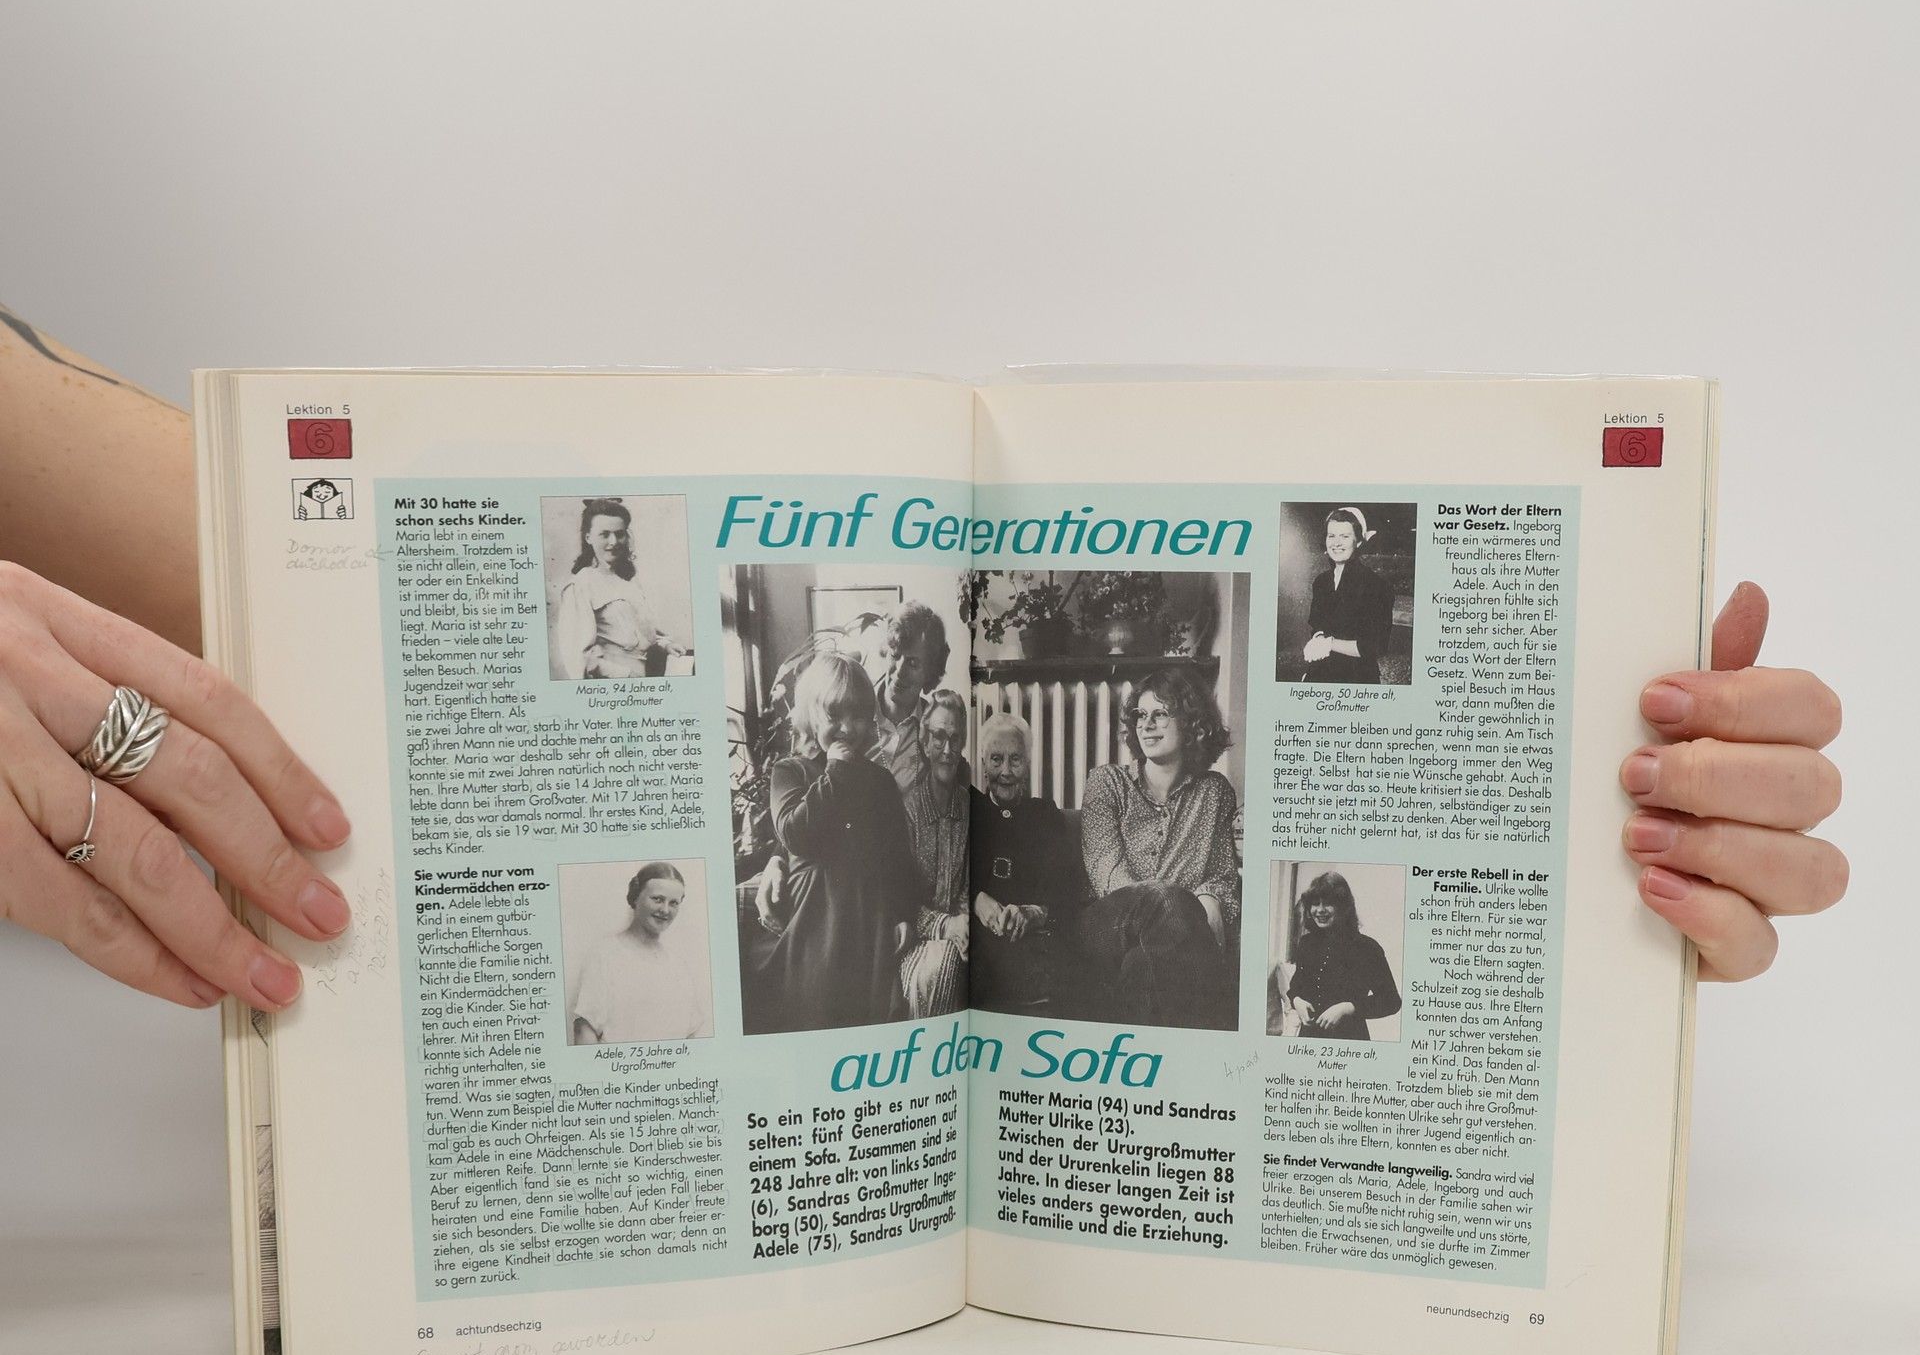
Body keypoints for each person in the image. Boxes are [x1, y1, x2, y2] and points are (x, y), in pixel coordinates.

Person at [0, 307, 1850, 1011]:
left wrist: (1579, 759)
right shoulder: (849, 779)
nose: (880, 699)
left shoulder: (1038, 780)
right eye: (859, 685)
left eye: (888, 686)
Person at [752, 652, 921, 1033]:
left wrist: (903, 914)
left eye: (858, 715)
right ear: (811, 716)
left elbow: (897, 857)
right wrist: (836, 772)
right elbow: (795, 834)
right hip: (814, 915)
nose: (847, 728)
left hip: (866, 915)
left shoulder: (879, 781)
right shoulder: (789, 771)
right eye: (834, 715)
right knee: (814, 1004)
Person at [1076, 664, 1242, 1030]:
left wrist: (1211, 899)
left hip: (1169, 944)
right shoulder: (1107, 782)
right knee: (1170, 901)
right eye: (1141, 714)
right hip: (1106, 925)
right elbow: (1106, 874)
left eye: (1161, 713)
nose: (1147, 724)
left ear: (1193, 724)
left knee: (1142, 965)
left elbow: (1221, 875)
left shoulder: (1215, 792)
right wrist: (1178, 906)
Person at [969, 710, 1087, 1015]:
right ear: (983, 763)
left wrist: (1035, 912)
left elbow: (1068, 890)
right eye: (996, 759)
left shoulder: (1045, 815)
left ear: (1028, 764)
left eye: (1016, 760)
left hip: (1038, 945)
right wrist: (977, 901)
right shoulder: (970, 810)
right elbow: (951, 879)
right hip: (983, 948)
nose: (1006, 771)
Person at [570, 862, 712, 1045]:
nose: (665, 910)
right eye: (657, 899)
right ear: (635, 897)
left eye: (673, 903)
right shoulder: (604, 955)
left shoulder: (677, 964)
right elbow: (584, 1032)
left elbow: (690, 1036)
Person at [552, 497, 688, 679]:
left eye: (619, 534)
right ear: (588, 537)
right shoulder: (580, 585)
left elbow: (640, 634)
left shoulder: (629, 581)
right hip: (613, 682)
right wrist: (626, 675)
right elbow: (577, 657)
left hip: (648, 675)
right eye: (604, 534)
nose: (614, 541)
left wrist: (665, 644)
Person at [897, 689, 970, 1019]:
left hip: (961, 934)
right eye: (939, 737)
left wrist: (964, 924)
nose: (948, 750)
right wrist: (946, 926)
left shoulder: (968, 808)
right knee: (939, 968)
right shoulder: (908, 811)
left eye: (955, 739)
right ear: (925, 744)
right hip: (915, 939)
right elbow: (899, 898)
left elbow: (969, 886)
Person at [1271, 870, 1402, 1040]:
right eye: (1315, 904)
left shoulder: (1367, 948)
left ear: (1343, 907)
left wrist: (1348, 1008)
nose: (1320, 910)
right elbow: (1297, 986)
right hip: (1309, 1037)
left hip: (1349, 1040)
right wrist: (1297, 1001)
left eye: (1327, 904)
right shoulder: (1307, 943)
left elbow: (1391, 1001)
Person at [1301, 505, 1395, 683]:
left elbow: (1375, 646)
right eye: (1331, 536)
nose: (1336, 543)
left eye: (1345, 536)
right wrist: (1318, 638)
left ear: (1358, 542)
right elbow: (1317, 624)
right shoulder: (1321, 582)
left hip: (1356, 678)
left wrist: (1329, 643)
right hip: (1319, 674)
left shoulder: (1376, 585)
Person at [870, 600, 949, 789]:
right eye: (895, 655)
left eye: (913, 663)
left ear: (930, 672)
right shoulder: (854, 713)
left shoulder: (935, 727)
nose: (899, 671)